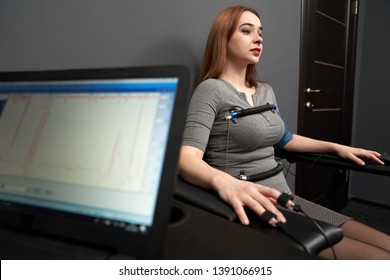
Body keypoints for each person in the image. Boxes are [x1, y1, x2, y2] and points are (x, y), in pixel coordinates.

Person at [178, 5, 390, 259]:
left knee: (386, 243)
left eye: (260, 32)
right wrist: (226, 184)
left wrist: (336, 147)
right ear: (223, 39)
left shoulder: (264, 90)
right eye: (247, 31)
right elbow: (186, 158)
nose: (258, 38)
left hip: (287, 197)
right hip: (254, 205)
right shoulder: (210, 90)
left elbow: (285, 138)